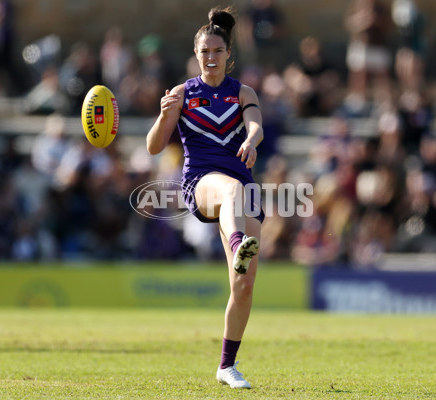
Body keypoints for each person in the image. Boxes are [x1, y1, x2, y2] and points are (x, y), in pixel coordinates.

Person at [146, 7, 264, 389]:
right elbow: (153, 147)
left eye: (217, 50)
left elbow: (256, 124)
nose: (211, 57)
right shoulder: (182, 93)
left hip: (244, 188)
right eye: (204, 52)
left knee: (243, 285)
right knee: (229, 189)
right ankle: (236, 240)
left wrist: (250, 139)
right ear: (196, 55)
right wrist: (165, 116)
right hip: (202, 183)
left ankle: (227, 365)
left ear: (229, 53)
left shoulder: (242, 92)